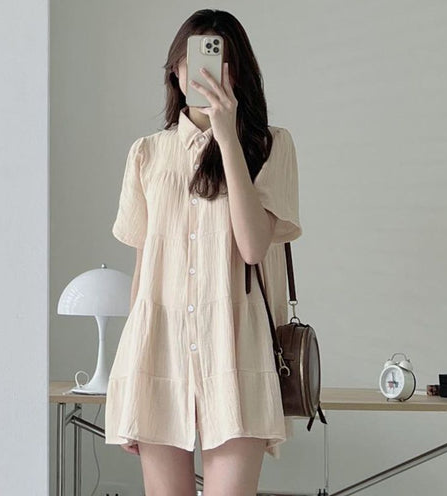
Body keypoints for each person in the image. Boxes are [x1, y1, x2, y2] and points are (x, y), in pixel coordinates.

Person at [105, 8, 303, 496]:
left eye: (219, 62)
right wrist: (128, 378)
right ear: (175, 70)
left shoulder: (270, 146)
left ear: (238, 74)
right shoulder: (147, 154)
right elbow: (143, 274)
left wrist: (227, 135)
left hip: (236, 350)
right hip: (158, 353)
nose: (205, 73)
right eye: (193, 60)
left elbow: (253, 247)